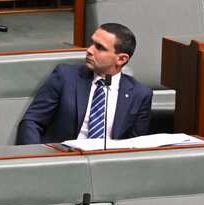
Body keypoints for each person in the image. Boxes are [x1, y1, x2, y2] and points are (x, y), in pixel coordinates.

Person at [16, 22, 152, 144]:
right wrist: (40, 160)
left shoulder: (140, 94)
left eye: (100, 47)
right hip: (64, 161)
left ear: (121, 59)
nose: (89, 50)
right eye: (92, 43)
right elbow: (32, 122)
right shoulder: (65, 76)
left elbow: (136, 145)